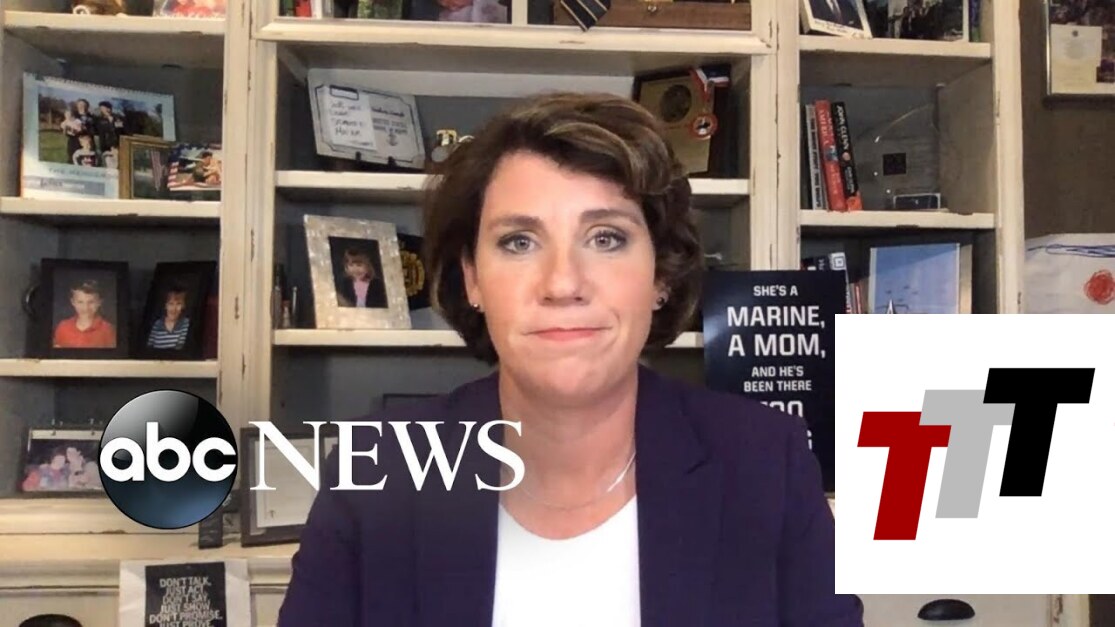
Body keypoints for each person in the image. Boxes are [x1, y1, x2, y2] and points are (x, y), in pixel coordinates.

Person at [276, 92, 864, 626]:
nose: (563, 283)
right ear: (472, 279)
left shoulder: (765, 462)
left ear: (660, 275)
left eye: (606, 238)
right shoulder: (376, 469)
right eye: (519, 242)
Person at [52, 279, 116, 349]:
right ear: (73, 302)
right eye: (80, 302)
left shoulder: (107, 330)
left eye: (91, 302)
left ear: (99, 302)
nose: (85, 307)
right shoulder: (63, 327)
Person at [146, 284, 191, 350]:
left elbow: (180, 349)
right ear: (166, 305)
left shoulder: (186, 323)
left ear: (183, 306)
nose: (174, 308)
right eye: (171, 304)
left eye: (178, 304)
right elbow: (149, 347)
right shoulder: (157, 324)